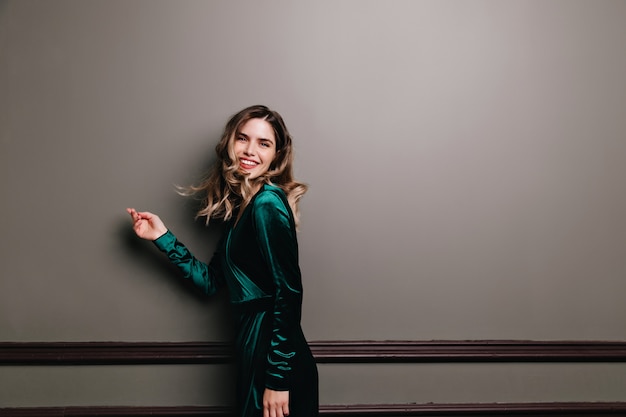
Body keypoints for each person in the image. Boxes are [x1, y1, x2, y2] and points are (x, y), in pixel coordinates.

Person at [127, 105, 318, 417]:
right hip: (253, 352)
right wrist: (162, 237)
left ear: (277, 154)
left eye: (263, 143)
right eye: (243, 138)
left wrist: (279, 379)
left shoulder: (267, 204)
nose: (250, 150)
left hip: (274, 361)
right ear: (231, 143)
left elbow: (289, 292)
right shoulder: (244, 209)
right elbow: (212, 283)